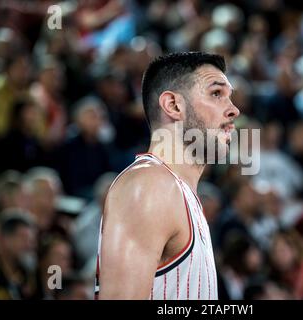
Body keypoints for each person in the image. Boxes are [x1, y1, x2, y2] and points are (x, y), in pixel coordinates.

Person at [96, 52, 240, 299]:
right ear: (173, 105)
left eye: (230, 97)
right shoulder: (150, 184)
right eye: (216, 94)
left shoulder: (179, 193)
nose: (234, 110)